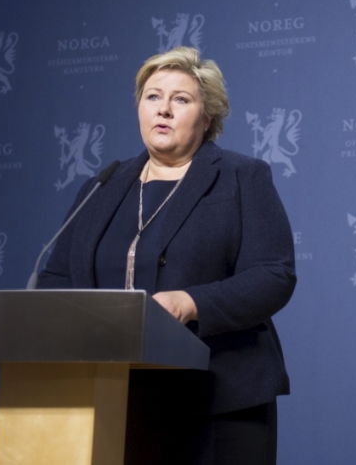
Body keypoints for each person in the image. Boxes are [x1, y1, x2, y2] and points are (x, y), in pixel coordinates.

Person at [38, 46, 296, 465]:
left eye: (181, 99)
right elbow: (54, 278)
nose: (164, 110)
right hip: (114, 397)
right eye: (153, 96)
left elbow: (273, 274)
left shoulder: (241, 176)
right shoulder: (102, 187)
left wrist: (189, 302)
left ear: (208, 116)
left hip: (219, 399)